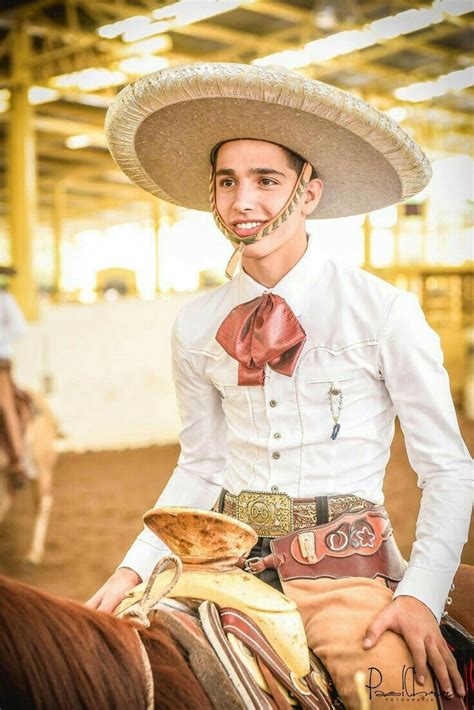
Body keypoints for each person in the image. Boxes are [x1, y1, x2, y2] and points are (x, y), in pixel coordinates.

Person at [87, 63, 472, 707]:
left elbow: (448, 470)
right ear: (211, 195)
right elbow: (202, 463)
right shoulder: (196, 323)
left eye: (267, 181)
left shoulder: (382, 312)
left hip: (344, 578)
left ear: (309, 193)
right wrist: (133, 565)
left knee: (397, 698)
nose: (244, 202)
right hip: (220, 566)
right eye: (228, 182)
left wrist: (419, 597)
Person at [0, 265, 29, 489]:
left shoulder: (5, 300)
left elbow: (19, 327)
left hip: (1, 363)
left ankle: (18, 460)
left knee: (4, 406)